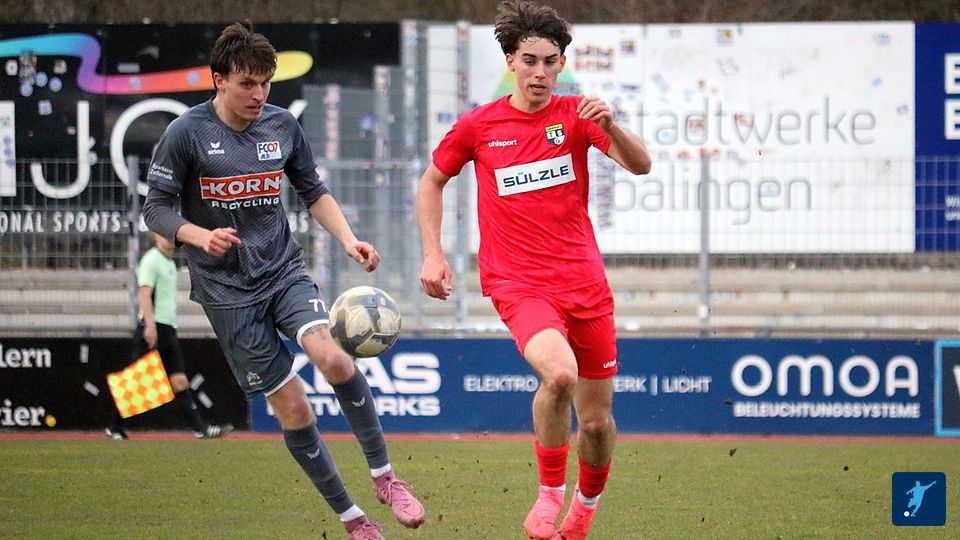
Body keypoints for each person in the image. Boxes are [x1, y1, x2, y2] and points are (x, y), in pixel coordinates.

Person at [141, 22, 425, 540]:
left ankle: (386, 479)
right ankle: (354, 520)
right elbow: (154, 208)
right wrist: (199, 236)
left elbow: (312, 189)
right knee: (293, 407)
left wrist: (348, 239)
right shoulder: (186, 133)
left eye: (266, 82)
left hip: (282, 272)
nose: (259, 94)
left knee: (335, 358)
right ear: (219, 80)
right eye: (247, 83)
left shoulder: (281, 125)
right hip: (227, 294)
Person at [416, 2, 651, 539]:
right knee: (560, 373)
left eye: (550, 61)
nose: (540, 73)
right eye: (529, 61)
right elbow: (431, 182)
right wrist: (433, 253)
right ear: (510, 62)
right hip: (518, 283)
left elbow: (641, 165)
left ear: (561, 63)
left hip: (585, 284)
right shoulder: (479, 125)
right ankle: (549, 493)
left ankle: (583, 510)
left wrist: (613, 126)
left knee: (596, 422)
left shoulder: (577, 116)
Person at [104, 232, 234, 440]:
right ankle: (113, 427)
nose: (169, 238)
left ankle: (201, 429)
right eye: (164, 234)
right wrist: (149, 324)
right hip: (154, 327)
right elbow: (145, 293)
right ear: (156, 237)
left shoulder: (170, 264)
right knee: (136, 382)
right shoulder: (152, 259)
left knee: (180, 381)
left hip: (168, 330)